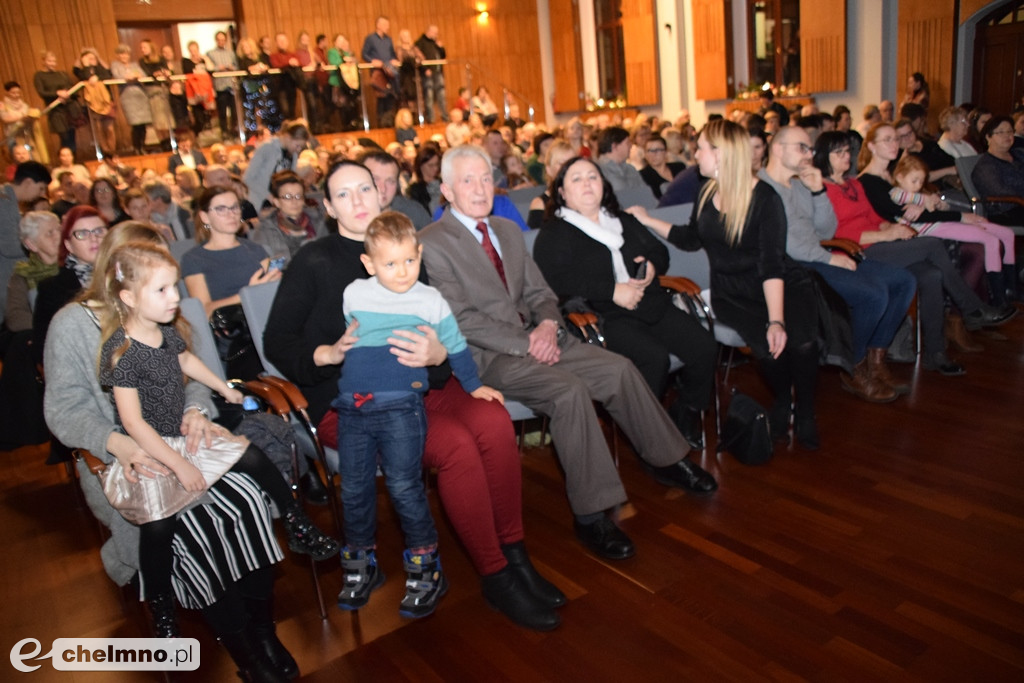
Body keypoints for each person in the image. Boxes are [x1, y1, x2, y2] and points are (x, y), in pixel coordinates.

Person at [265, 158, 563, 631]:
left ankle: (516, 553)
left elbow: (438, 329)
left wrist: (437, 353)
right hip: (352, 403)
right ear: (327, 207)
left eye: (365, 188)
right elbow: (278, 342)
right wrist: (326, 354)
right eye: (344, 194)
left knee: (491, 419)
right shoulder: (315, 261)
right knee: (456, 446)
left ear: (382, 192)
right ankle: (496, 575)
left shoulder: (404, 251)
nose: (358, 200)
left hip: (417, 386)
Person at [420, 145, 717, 561]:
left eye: (486, 178)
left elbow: (542, 292)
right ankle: (592, 513)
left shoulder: (506, 230)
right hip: (491, 356)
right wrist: (526, 342)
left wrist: (544, 324)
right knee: (570, 392)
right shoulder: (431, 243)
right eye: (468, 180)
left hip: (543, 335)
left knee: (620, 370)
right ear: (447, 191)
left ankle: (666, 458)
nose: (480, 188)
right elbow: (459, 319)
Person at [43, 222, 299, 681]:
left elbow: (190, 375)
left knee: (250, 505)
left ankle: (264, 633)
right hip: (125, 463)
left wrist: (199, 411)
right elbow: (62, 411)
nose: (171, 291)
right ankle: (244, 651)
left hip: (188, 443)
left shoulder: (162, 310)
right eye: (159, 279)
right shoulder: (71, 324)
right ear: (123, 277)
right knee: (198, 528)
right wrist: (116, 442)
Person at [96, 240, 337, 637]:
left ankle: (297, 524)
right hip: (151, 450)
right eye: (162, 290)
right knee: (159, 526)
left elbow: (186, 360)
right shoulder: (123, 353)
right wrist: (179, 465)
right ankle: (161, 605)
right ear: (128, 298)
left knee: (252, 456)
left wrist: (222, 388)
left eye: (175, 286)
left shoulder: (163, 331)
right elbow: (134, 424)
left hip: (181, 431)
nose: (176, 297)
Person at [336, 211, 504, 619]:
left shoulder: (429, 300)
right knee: (354, 489)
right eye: (390, 264)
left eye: (410, 261)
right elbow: (352, 338)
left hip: (401, 409)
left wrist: (473, 385)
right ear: (369, 264)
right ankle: (361, 563)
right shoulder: (354, 293)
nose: (402, 271)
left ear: (420, 254)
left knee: (404, 488)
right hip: (353, 408)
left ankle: (426, 565)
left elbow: (456, 346)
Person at [660, 120, 825, 449]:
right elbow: (691, 238)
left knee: (803, 343)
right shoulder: (707, 192)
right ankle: (782, 400)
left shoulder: (765, 198)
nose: (696, 155)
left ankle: (805, 412)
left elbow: (771, 264)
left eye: (702, 148)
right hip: (733, 293)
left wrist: (776, 320)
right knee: (767, 351)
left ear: (721, 154)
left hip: (781, 283)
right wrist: (647, 219)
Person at [534, 157, 716, 447]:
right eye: (576, 179)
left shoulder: (623, 220)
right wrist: (612, 290)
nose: (587, 184)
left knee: (704, 347)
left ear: (603, 186)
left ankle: (685, 412)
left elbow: (659, 252)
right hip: (603, 315)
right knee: (652, 359)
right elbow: (553, 281)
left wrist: (652, 267)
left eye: (592, 177)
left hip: (650, 303)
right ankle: (648, 436)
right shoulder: (555, 233)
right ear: (562, 193)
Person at [819, 123, 1011, 376]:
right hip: (857, 250)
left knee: (932, 275)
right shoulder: (822, 189)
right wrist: (885, 233)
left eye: (847, 151)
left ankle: (935, 353)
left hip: (882, 242)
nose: (846, 156)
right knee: (932, 244)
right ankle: (971, 307)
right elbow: (833, 233)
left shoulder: (853, 184)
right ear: (823, 156)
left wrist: (893, 227)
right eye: (838, 153)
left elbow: (875, 217)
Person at [762, 128, 915, 402]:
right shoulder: (763, 188)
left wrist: (819, 192)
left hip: (818, 256)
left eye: (810, 149)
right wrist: (829, 257)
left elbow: (827, 230)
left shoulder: (799, 184)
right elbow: (787, 244)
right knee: (874, 293)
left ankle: (875, 361)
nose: (810, 155)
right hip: (793, 267)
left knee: (904, 281)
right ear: (778, 149)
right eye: (802, 148)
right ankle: (853, 366)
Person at [890, 153, 1018, 307]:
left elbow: (937, 205)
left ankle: (1011, 288)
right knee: (990, 240)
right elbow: (917, 199)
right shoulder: (895, 193)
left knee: (1007, 233)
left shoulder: (916, 193)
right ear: (899, 177)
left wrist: (938, 204)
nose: (918, 185)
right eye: (914, 181)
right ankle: (999, 298)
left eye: (921, 181)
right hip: (932, 228)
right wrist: (929, 200)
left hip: (941, 221)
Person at [181, 185, 280, 378]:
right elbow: (203, 311)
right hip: (234, 338)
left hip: (267, 324)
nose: (231, 214)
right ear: (204, 217)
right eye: (221, 209)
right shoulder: (194, 259)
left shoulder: (256, 250)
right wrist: (247, 295)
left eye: (235, 207)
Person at [33, 206, 107, 359]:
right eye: (82, 234)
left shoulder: (127, 276)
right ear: (68, 245)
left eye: (99, 231)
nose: (93, 239)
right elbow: (44, 348)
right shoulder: (52, 288)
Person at [1, 161, 50, 324]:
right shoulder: (4, 202)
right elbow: (10, 246)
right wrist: (39, 245)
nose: (41, 193)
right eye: (41, 188)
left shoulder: (9, 201)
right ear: (28, 182)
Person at [250, 170, 327, 265]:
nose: (294, 201)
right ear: (276, 202)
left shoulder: (319, 223)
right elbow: (263, 265)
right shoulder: (265, 230)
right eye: (287, 197)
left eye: (298, 196)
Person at [244, 120, 310, 211]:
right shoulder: (266, 148)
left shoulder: (293, 154)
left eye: (300, 147)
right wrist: (267, 195)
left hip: (280, 203)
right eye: (297, 145)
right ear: (287, 137)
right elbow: (248, 178)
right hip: (261, 202)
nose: (298, 150)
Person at [971, 115, 1024, 228]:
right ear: (988, 137)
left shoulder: (1019, 154)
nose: (1007, 135)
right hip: (1007, 211)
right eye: (1000, 132)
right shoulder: (986, 166)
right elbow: (1000, 192)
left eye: (1010, 131)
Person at [359, 150, 432, 230]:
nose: (383, 189)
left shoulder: (413, 213)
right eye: (375, 179)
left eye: (390, 181)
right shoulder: (347, 217)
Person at [110, 44, 152, 155]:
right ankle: (136, 147)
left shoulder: (134, 64)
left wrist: (134, 76)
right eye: (122, 54)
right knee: (135, 123)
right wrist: (131, 76)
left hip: (140, 95)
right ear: (118, 55)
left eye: (126, 54)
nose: (124, 56)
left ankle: (142, 146)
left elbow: (142, 75)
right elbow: (119, 76)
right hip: (127, 96)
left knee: (143, 124)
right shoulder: (115, 65)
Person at [33, 51, 77, 153]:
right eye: (50, 61)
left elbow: (70, 87)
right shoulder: (39, 75)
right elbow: (42, 92)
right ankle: (65, 159)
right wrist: (57, 93)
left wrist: (66, 94)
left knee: (72, 136)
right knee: (64, 137)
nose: (53, 63)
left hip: (68, 107)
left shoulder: (62, 74)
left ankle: (73, 161)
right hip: (55, 110)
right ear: (44, 61)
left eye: (54, 61)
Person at [74, 48, 116, 155]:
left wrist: (96, 77)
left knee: (109, 128)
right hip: (93, 104)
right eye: (89, 59)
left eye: (93, 58)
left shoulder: (101, 69)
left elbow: (108, 74)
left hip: (106, 101)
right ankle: (105, 152)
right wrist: (86, 65)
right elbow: (81, 73)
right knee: (98, 128)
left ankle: (112, 151)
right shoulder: (83, 70)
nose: (92, 60)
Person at [362, 17, 401, 128]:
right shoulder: (370, 39)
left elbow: (392, 54)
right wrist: (372, 61)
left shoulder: (388, 39)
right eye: (385, 24)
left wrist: (394, 60)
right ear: (378, 25)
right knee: (381, 96)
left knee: (390, 95)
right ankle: (381, 124)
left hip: (389, 71)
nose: (387, 27)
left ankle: (389, 122)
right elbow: (365, 54)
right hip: (378, 72)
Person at [526, 140, 575, 229]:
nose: (568, 168)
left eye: (572, 163)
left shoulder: (585, 199)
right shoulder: (540, 204)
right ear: (549, 169)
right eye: (562, 164)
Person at [206, 31, 238, 139]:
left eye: (223, 40)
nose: (221, 42)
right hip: (220, 87)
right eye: (219, 40)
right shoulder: (210, 53)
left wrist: (231, 68)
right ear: (216, 40)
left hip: (232, 86)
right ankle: (224, 132)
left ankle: (234, 131)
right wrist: (218, 68)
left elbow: (237, 67)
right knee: (222, 112)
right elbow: (209, 68)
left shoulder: (231, 53)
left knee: (234, 111)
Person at [596, 126, 645, 192]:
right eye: (627, 143)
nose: (631, 146)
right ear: (614, 146)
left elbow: (646, 193)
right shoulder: (598, 171)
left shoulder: (630, 169)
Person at [415, 25, 447, 124]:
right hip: (427, 73)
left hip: (438, 72)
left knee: (441, 95)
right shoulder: (420, 43)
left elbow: (443, 56)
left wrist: (441, 47)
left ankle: (445, 116)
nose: (436, 35)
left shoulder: (435, 43)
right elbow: (418, 58)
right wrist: (425, 69)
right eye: (435, 33)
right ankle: (431, 118)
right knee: (429, 95)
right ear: (428, 31)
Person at [639, 134, 685, 199]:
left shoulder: (679, 168)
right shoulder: (642, 176)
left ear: (665, 152)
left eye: (657, 150)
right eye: (649, 151)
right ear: (645, 154)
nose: (653, 154)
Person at [406, 144, 443, 216]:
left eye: (437, 164)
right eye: (431, 165)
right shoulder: (415, 190)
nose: (435, 168)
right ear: (421, 166)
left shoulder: (444, 182)